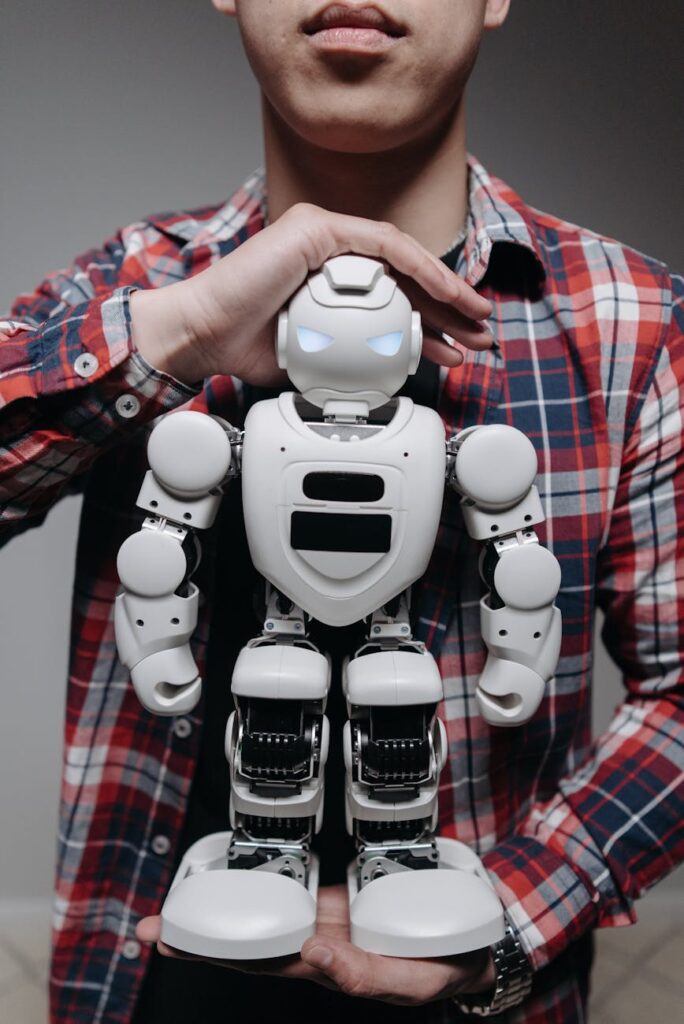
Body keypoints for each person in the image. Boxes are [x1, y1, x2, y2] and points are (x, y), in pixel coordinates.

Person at [0, 1, 682, 1022]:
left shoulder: (638, 328)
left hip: (483, 987)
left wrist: (516, 912)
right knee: (275, 692)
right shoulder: (136, 290)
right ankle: (262, 850)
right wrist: (174, 335)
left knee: (390, 700)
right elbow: (162, 529)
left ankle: (403, 856)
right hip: (154, 986)